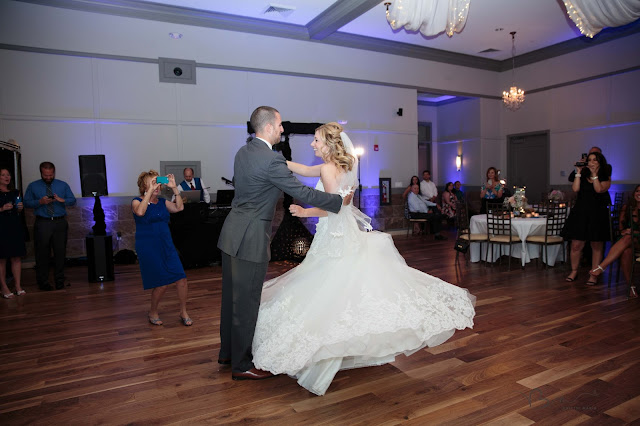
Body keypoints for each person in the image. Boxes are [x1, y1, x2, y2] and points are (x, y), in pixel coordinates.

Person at [251, 122, 475, 396]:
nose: (313, 144)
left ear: (329, 144)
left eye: (316, 140)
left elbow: (335, 207)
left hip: (334, 236)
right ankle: (349, 349)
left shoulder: (328, 169)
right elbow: (310, 173)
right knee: (341, 289)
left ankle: (327, 350)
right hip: (342, 233)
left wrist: (304, 212)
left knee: (329, 290)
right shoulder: (343, 166)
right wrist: (281, 161)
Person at [217, 107, 351, 381]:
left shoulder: (243, 152)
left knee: (231, 299)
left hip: (232, 233)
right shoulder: (272, 160)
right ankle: (242, 366)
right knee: (246, 302)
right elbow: (300, 191)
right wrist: (337, 202)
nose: (282, 129)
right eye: (279, 125)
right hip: (251, 238)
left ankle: (228, 353)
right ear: (267, 127)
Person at [132, 170, 192, 326]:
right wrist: (150, 192)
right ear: (144, 186)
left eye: (157, 182)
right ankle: (153, 311)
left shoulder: (164, 202)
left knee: (181, 278)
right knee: (162, 282)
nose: (157, 185)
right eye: (153, 182)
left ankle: (183, 311)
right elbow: (140, 212)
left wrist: (174, 188)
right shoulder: (136, 201)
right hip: (149, 246)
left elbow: (179, 208)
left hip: (167, 244)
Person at [24, 162, 76, 291]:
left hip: (60, 222)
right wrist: (40, 202)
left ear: (54, 172)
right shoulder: (33, 186)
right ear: (41, 173)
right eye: (45, 175)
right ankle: (43, 282)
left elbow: (72, 200)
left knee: (60, 252)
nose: (48, 177)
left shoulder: (62, 185)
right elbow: (26, 202)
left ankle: (59, 281)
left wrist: (62, 200)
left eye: (51, 175)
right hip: (42, 223)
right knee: (42, 254)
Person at [561, 152, 611, 285]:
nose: (592, 162)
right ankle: (574, 271)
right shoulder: (582, 175)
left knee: (596, 245)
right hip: (580, 212)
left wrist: (595, 175)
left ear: (600, 162)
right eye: (590, 160)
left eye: (595, 160)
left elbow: (599, 189)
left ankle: (594, 273)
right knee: (576, 244)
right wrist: (578, 171)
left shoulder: (605, 176)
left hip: (597, 213)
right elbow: (575, 188)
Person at [588, 184, 640, 298]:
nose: (639, 194)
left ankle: (601, 267)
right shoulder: (627, 207)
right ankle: (631, 286)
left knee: (628, 238)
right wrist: (625, 231)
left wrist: (633, 233)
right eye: (637, 191)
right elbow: (620, 229)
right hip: (628, 240)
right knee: (626, 251)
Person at [0, 168, 26, 298]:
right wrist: (2, 208)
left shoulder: (15, 192)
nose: (6, 177)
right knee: (2, 259)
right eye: (3, 175)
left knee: (16, 257)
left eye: (8, 174)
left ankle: (17, 286)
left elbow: (18, 209)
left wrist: (20, 208)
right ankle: (4, 287)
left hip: (14, 226)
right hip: (1, 227)